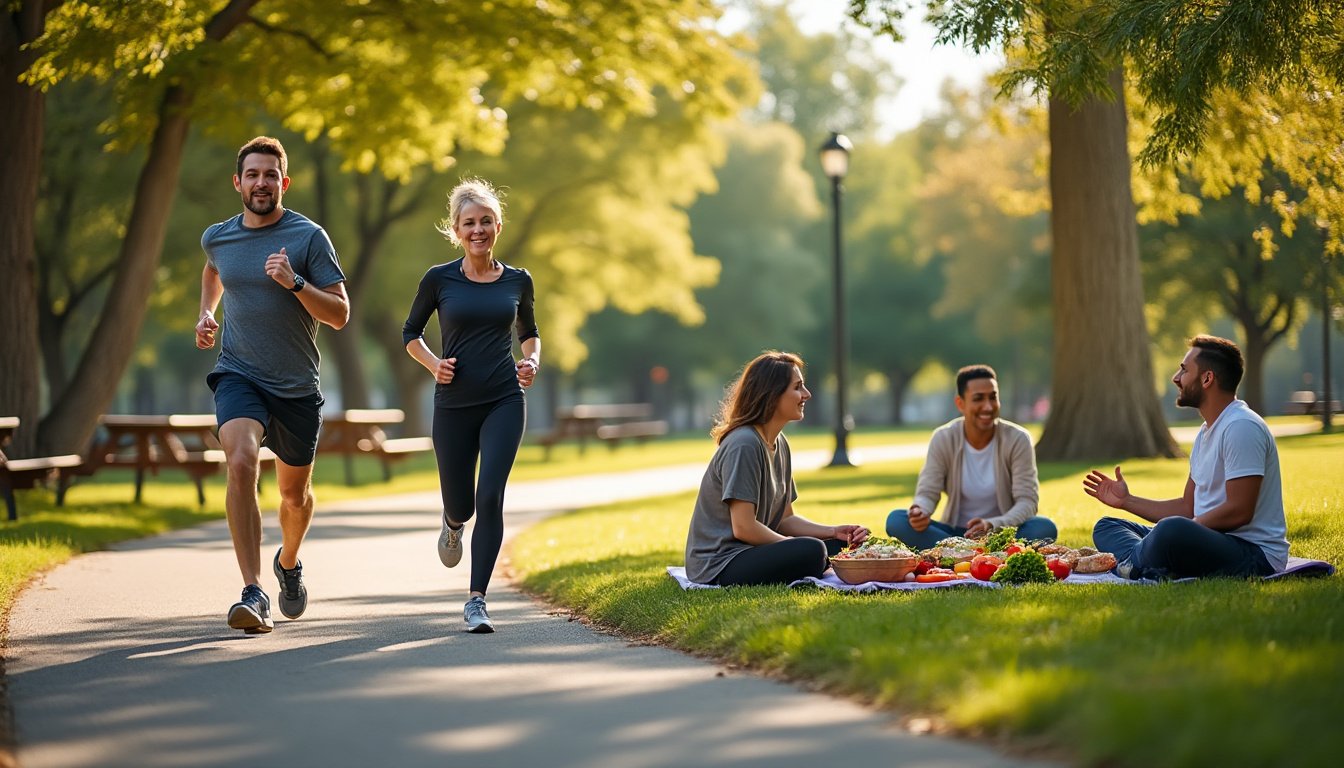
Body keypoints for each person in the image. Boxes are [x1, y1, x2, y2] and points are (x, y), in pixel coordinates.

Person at [196, 136, 350, 634]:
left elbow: (341, 314)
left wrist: (296, 284)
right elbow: (214, 270)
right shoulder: (219, 236)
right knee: (240, 461)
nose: (261, 183)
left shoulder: (308, 238)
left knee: (293, 497)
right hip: (239, 372)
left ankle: (288, 561)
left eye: (270, 175)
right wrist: (205, 312)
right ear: (237, 182)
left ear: (284, 182)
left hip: (297, 387)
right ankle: (252, 589)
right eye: (252, 174)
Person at [402, 178, 539, 633]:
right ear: (456, 231)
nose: (477, 229)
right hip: (454, 403)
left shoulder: (519, 280)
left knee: (491, 495)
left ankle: (476, 600)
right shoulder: (438, 279)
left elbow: (529, 332)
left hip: (504, 398)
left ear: (497, 225)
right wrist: (434, 364)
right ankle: (452, 521)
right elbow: (411, 334)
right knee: (462, 503)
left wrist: (531, 360)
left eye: (485, 221)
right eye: (469, 223)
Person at [1085, 335, 1289, 579]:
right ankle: (1146, 562)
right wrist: (1127, 501)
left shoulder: (1241, 427)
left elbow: (1239, 511)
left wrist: (1180, 531)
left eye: (1184, 370)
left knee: (1171, 530)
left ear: (1207, 378)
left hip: (1253, 554)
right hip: (1208, 539)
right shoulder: (1205, 433)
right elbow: (1187, 507)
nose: (1176, 378)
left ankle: (1132, 565)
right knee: (1108, 526)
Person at [684, 351, 871, 586]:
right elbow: (743, 527)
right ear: (772, 394)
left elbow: (785, 519)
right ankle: (811, 556)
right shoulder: (744, 444)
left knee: (844, 546)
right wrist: (793, 546)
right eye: (798, 387)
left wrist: (834, 532)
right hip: (721, 563)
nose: (807, 394)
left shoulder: (780, 443)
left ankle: (817, 553)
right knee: (812, 550)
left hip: (752, 550)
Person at [884, 364, 1056, 550]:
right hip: (953, 534)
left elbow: (1027, 502)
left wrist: (992, 524)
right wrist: (920, 511)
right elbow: (927, 493)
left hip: (1001, 533)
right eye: (978, 399)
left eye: (993, 397)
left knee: (1043, 528)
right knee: (896, 520)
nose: (988, 406)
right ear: (960, 403)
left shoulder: (1018, 439)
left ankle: (959, 553)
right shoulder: (944, 437)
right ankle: (974, 552)